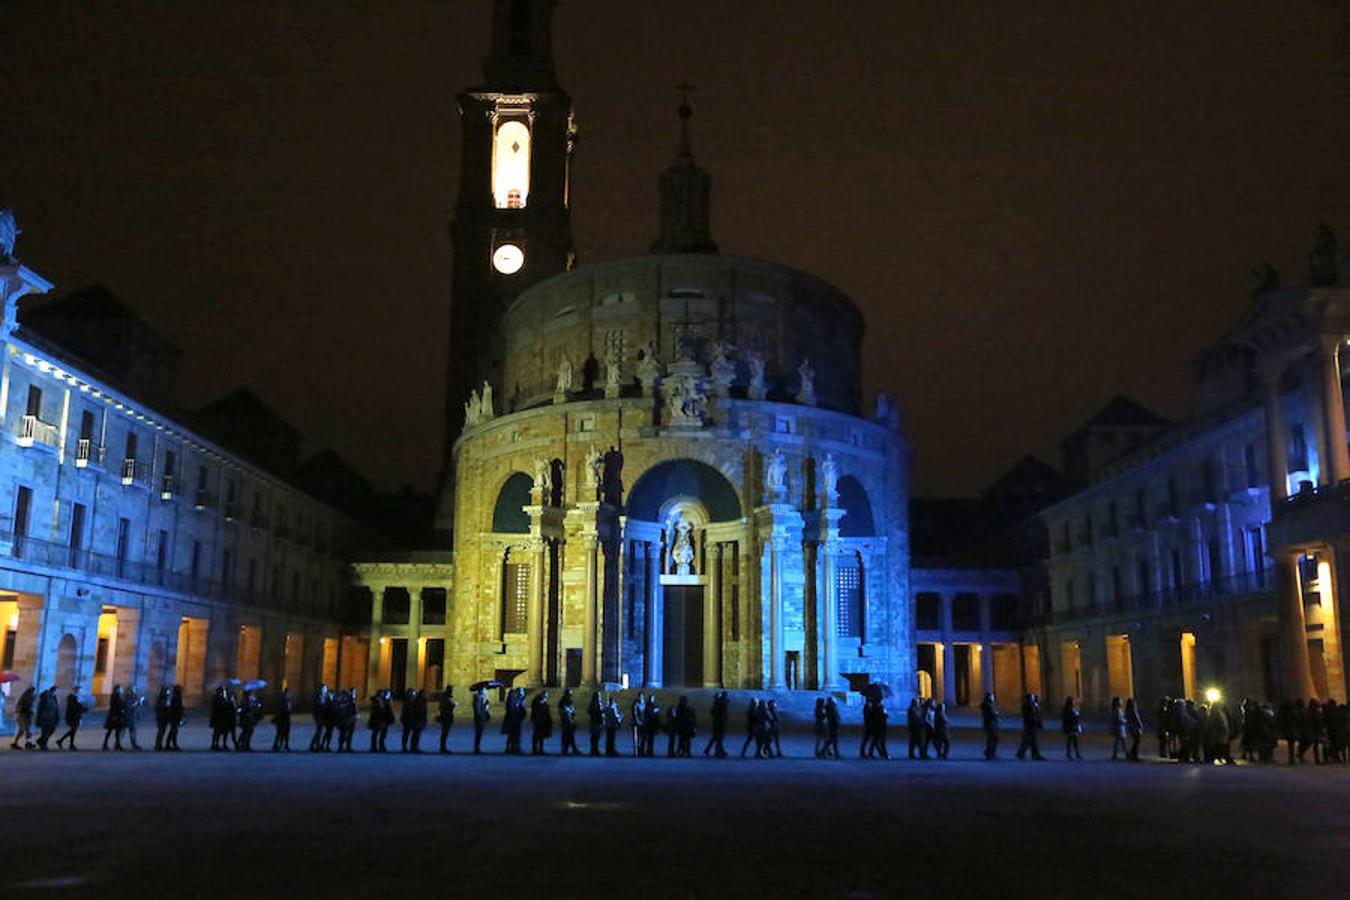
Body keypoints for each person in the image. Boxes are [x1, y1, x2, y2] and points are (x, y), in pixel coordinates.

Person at [55, 684, 89, 750]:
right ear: (74, 690)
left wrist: (83, 708)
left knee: (73, 731)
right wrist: (81, 707)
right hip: (72, 716)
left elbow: (78, 705)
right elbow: (73, 706)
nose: (78, 690)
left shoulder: (76, 697)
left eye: (78, 689)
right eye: (77, 689)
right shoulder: (71, 697)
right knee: (73, 730)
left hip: (76, 716)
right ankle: (61, 741)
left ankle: (70, 744)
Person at [1016, 692, 1045, 760]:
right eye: (1032, 697)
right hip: (1030, 725)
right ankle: (1021, 753)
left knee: (1033, 741)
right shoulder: (1027, 705)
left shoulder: (1033, 705)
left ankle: (1034, 754)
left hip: (1032, 724)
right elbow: (1030, 715)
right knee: (1028, 740)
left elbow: (1037, 713)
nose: (1033, 699)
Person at [102, 684, 127, 751]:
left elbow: (121, 705)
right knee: (111, 731)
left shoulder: (119, 696)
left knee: (117, 731)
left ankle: (117, 745)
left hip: (117, 715)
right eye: (120, 689)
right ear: (117, 690)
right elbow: (115, 706)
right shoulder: (115, 696)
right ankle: (105, 744)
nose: (122, 690)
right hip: (114, 716)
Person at [35, 685, 61, 750]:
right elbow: (40, 708)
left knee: (51, 730)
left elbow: (56, 708)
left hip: (52, 717)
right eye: (57, 691)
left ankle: (41, 741)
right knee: (45, 731)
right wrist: (39, 718)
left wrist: (57, 717)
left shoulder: (54, 697)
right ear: (53, 690)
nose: (57, 693)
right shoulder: (45, 696)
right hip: (45, 717)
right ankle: (43, 745)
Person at [704, 691, 729, 757]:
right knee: (719, 738)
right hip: (719, 723)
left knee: (716, 738)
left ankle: (711, 750)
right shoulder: (720, 703)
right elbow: (720, 713)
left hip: (718, 723)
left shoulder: (719, 703)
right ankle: (717, 752)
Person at [11, 684, 35, 749]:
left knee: (26, 730)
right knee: (23, 730)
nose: (33, 693)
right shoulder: (27, 697)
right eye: (32, 691)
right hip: (21, 715)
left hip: (23, 715)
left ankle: (27, 743)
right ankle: (15, 743)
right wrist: (30, 712)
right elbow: (26, 707)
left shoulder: (26, 696)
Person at [530, 689, 553, 755]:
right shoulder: (538, 702)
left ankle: (540, 749)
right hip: (538, 721)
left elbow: (547, 712)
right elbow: (535, 711)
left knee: (541, 736)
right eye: (545, 696)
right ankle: (535, 749)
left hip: (543, 721)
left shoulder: (544, 703)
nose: (546, 698)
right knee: (537, 736)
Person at [309, 684, 331, 752]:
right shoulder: (318, 697)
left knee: (327, 731)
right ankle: (313, 745)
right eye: (324, 688)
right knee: (319, 732)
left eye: (326, 688)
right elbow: (315, 706)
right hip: (319, 717)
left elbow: (328, 706)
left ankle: (322, 745)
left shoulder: (326, 697)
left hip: (325, 717)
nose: (326, 690)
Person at [558, 688, 579, 755]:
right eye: (569, 694)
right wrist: (569, 710)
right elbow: (563, 710)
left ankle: (570, 749)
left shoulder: (569, 701)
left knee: (570, 736)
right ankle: (566, 749)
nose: (570, 695)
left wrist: (571, 711)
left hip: (570, 721)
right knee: (567, 736)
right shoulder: (563, 701)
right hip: (565, 721)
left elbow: (572, 711)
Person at [1061, 696, 1083, 760]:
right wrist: (1075, 715)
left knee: (1074, 740)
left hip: (1073, 726)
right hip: (1071, 726)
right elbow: (1069, 718)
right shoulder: (1068, 709)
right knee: (1071, 740)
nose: (1073, 702)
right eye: (1072, 701)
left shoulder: (1071, 709)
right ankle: (1070, 754)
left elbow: (1076, 716)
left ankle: (1075, 753)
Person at [438, 685, 457, 754]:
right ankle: (442, 747)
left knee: (445, 733)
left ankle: (443, 747)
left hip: (446, 717)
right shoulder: (446, 697)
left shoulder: (446, 697)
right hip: (446, 717)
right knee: (444, 733)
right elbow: (446, 707)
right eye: (451, 689)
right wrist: (454, 705)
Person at [980, 692, 1000, 759]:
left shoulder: (989, 704)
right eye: (992, 696)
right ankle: (990, 753)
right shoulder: (987, 705)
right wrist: (995, 714)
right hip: (990, 724)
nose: (993, 698)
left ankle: (990, 752)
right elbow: (990, 714)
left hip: (991, 724)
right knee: (992, 739)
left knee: (993, 739)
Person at [165, 685, 184, 751]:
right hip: (174, 717)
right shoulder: (175, 697)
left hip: (175, 717)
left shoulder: (177, 697)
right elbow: (174, 708)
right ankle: (171, 745)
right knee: (173, 731)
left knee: (174, 731)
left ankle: (171, 744)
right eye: (180, 690)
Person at [473, 686, 491, 754]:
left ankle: (477, 748)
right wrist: (484, 706)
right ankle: (476, 748)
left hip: (481, 718)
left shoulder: (481, 698)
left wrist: (486, 704)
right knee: (478, 733)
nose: (486, 691)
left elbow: (482, 708)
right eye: (485, 689)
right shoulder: (478, 697)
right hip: (479, 719)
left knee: (479, 734)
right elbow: (478, 710)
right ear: (481, 690)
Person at [1108, 696, 1127, 761]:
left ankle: (1115, 754)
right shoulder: (1117, 710)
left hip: (1120, 728)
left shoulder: (1118, 709)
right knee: (1122, 742)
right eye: (1120, 701)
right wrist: (1125, 721)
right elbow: (1118, 719)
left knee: (1118, 742)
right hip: (1119, 728)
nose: (1121, 702)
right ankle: (1126, 753)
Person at [587, 690, 604, 756]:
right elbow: (590, 711)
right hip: (595, 723)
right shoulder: (595, 704)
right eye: (599, 696)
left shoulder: (597, 704)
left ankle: (594, 749)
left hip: (596, 722)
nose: (600, 697)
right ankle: (594, 750)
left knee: (596, 737)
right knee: (595, 737)